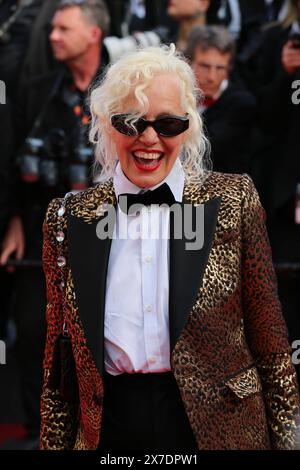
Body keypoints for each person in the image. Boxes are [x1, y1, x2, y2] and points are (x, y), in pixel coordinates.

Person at [40, 44, 300, 451]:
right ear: (107, 126)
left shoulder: (233, 200)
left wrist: (289, 441)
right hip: (108, 427)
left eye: (168, 124)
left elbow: (270, 341)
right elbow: (58, 364)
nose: (149, 139)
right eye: (130, 122)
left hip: (220, 427)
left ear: (189, 126)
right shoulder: (68, 216)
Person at [0, 0, 110, 449]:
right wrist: (12, 222)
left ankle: (97, 430)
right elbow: (10, 159)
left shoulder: (122, 89)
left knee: (98, 333)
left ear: (93, 34)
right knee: (30, 329)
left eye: (63, 29)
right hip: (38, 227)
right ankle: (34, 430)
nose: (52, 36)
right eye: (52, 29)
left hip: (106, 234)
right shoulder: (34, 88)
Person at [185, 25, 256, 174]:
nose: (212, 77)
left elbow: (205, 148)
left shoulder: (242, 104)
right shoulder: (176, 95)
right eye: (205, 66)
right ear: (188, 63)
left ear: (229, 69)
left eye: (220, 68)